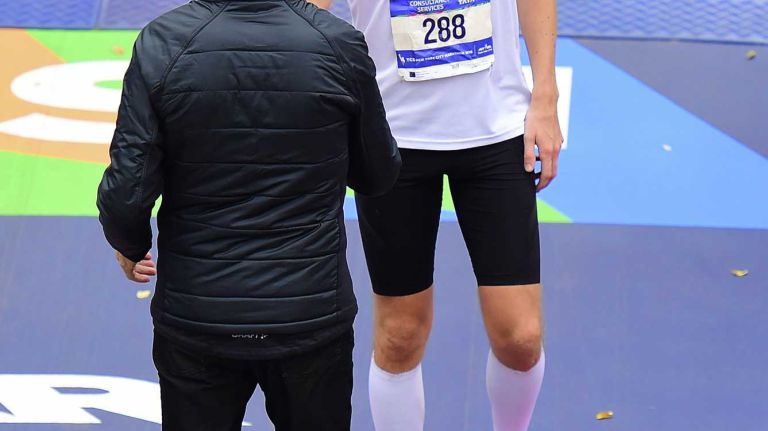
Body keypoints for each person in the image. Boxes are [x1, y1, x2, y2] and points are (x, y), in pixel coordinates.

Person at [96, 0, 400, 429]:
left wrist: (129, 244)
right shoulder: (338, 43)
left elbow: (128, 187)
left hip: (198, 320)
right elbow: (377, 173)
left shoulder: (163, 41)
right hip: (308, 317)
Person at [316, 0, 563, 429]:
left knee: (520, 338)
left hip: (496, 129)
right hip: (393, 136)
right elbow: (305, 12)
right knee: (400, 336)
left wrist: (545, 95)